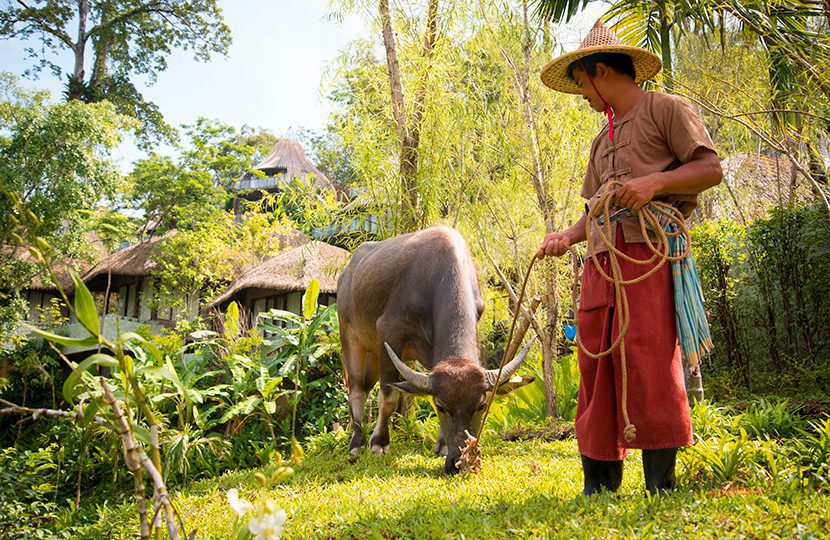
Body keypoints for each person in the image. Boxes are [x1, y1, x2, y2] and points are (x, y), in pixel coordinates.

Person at [537, 20, 722, 496]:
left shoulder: (667, 110)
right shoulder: (601, 142)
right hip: (602, 262)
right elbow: (594, 213)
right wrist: (567, 236)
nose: (583, 95)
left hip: (651, 255)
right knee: (595, 365)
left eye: (582, 84)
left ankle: (661, 482)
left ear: (601, 71)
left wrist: (655, 184)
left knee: (650, 358)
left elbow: (710, 168)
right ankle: (599, 482)